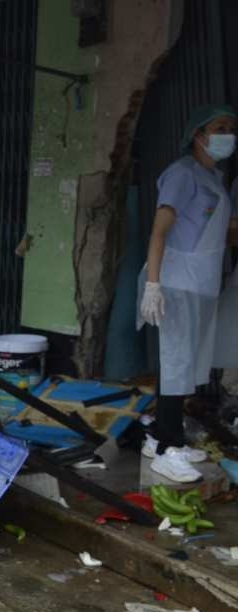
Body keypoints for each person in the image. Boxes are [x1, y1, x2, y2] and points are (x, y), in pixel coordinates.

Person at [139, 104, 238, 484]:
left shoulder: (213, 177)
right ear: (199, 134)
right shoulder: (181, 174)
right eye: (219, 126)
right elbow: (159, 230)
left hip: (203, 283)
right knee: (178, 362)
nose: (227, 132)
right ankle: (167, 450)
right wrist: (153, 284)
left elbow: (222, 231)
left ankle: (163, 436)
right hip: (177, 282)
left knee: (185, 365)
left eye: (231, 127)